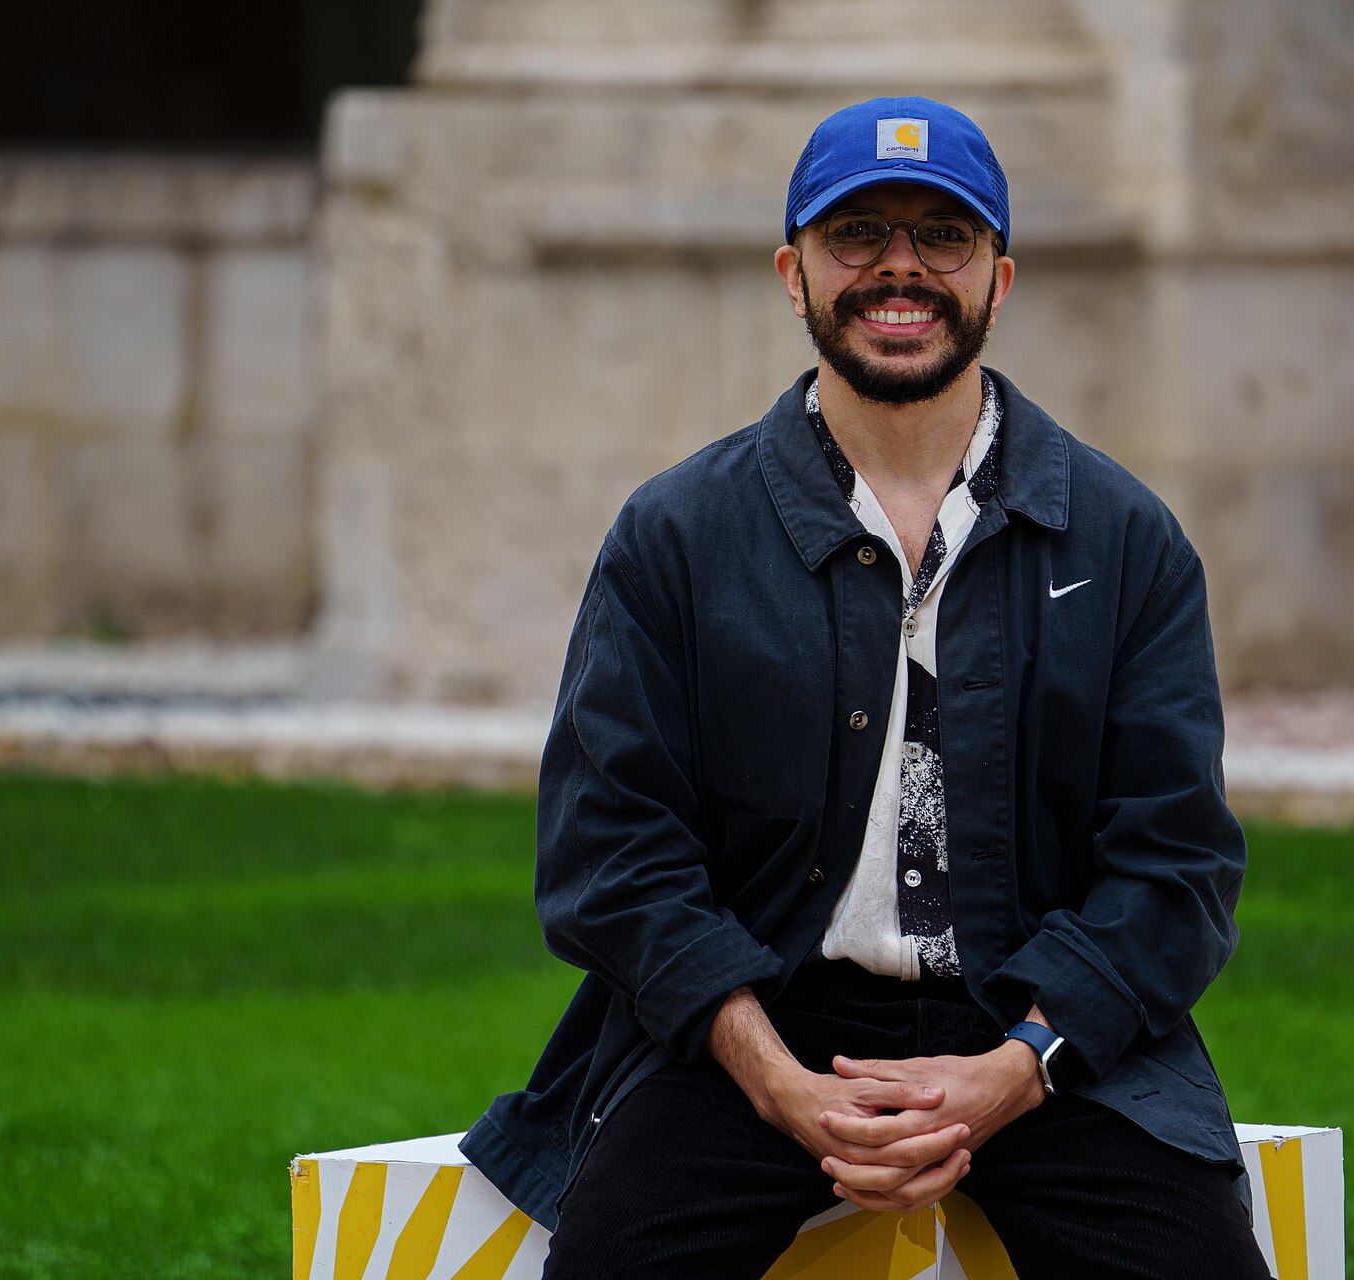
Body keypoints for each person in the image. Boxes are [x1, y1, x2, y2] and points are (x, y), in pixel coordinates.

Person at [461, 95, 1271, 1279]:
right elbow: (612, 850)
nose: (901, 268)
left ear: (1003, 275)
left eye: (944, 234)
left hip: (1041, 1036)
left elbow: (1175, 863)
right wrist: (780, 1082)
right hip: (753, 1034)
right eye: (858, 235)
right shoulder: (676, 535)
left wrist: (1012, 1067)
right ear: (794, 273)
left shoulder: (1125, 537)